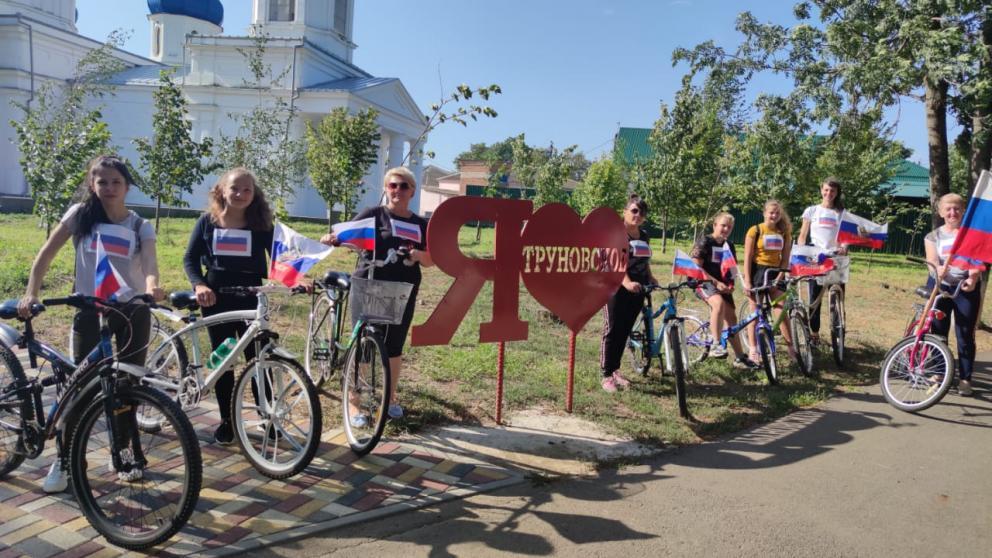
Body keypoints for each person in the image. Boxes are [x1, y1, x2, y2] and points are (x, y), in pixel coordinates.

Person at [18, 155, 164, 493]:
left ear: (127, 186)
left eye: (116, 182)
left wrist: (153, 286)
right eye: (102, 182)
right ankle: (66, 459)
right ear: (92, 184)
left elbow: (151, 264)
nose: (109, 188)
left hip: (132, 311)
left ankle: (122, 451)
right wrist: (31, 292)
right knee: (79, 388)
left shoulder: (140, 225)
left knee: (127, 387)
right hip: (89, 309)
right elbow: (46, 254)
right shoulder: (80, 215)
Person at [320, 166, 432, 421]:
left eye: (403, 186)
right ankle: (354, 403)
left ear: (412, 191)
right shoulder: (373, 215)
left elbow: (430, 260)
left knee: (394, 345)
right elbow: (346, 235)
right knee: (364, 344)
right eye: (393, 185)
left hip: (403, 289)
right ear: (386, 189)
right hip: (370, 285)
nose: (397, 190)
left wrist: (417, 255)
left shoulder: (420, 224)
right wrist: (333, 238)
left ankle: (390, 399)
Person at [183, 168, 274, 444]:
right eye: (234, 188)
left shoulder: (261, 224)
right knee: (224, 361)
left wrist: (296, 277)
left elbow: (281, 257)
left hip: (251, 298)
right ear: (222, 190)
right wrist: (199, 285)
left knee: (259, 359)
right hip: (216, 299)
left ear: (254, 194)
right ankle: (226, 420)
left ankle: (268, 418)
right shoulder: (207, 222)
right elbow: (190, 259)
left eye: (247, 190)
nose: (240, 194)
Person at [923, 193, 982, 396]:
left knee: (965, 334)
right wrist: (937, 269)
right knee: (938, 331)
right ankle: (939, 372)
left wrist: (972, 278)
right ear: (941, 212)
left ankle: (965, 378)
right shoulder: (933, 236)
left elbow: (976, 261)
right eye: (948, 209)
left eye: (956, 208)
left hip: (965, 288)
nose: (952, 212)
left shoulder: (971, 236)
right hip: (941, 286)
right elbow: (932, 261)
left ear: (963, 211)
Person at [599, 195, 658, 392]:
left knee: (625, 330)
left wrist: (650, 277)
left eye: (642, 212)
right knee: (612, 329)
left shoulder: (644, 235)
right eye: (634, 210)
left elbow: (644, 260)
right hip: (615, 286)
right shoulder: (616, 233)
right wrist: (626, 282)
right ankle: (606, 375)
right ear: (624, 212)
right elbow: (613, 260)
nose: (638, 215)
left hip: (637, 287)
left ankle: (615, 370)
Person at [690, 212, 759, 370]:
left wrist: (730, 284)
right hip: (703, 281)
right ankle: (715, 345)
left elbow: (731, 268)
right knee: (718, 304)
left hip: (721, 284)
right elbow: (695, 267)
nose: (726, 229)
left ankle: (740, 358)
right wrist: (716, 282)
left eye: (729, 227)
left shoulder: (729, 245)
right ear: (715, 225)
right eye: (723, 225)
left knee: (732, 320)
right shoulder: (704, 242)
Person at [742, 200, 796, 362]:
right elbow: (747, 258)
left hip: (776, 272)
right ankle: (753, 349)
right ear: (764, 213)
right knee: (755, 312)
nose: (774, 215)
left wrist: (779, 278)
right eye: (771, 212)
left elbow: (785, 259)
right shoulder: (755, 230)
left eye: (777, 213)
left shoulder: (784, 233)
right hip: (757, 272)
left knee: (781, 310)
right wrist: (748, 281)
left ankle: (791, 347)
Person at [797, 178, 847, 343]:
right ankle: (814, 333)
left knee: (838, 295)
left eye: (832, 191)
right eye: (826, 190)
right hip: (816, 258)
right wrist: (802, 252)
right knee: (815, 297)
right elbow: (803, 235)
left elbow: (846, 235)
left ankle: (839, 331)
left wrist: (844, 246)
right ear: (821, 190)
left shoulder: (841, 213)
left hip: (836, 257)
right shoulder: (811, 211)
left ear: (837, 193)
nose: (829, 193)